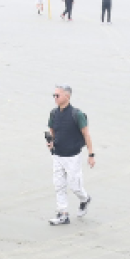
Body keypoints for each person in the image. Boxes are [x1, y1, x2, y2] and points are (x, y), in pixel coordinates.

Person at [46, 85, 94, 226]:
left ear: (67, 96)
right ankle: (63, 214)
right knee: (59, 185)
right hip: (57, 155)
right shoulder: (53, 113)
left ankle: (85, 199)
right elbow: (52, 130)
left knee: (75, 187)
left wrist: (91, 154)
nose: (55, 98)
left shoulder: (77, 115)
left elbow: (86, 134)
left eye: (57, 95)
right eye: (53, 95)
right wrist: (51, 143)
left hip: (73, 157)